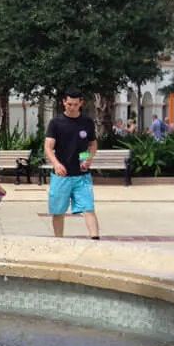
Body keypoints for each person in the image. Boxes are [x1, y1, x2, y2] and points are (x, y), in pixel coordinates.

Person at [44, 89, 100, 239]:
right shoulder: (56, 123)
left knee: (88, 208)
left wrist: (89, 157)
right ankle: (58, 240)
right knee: (58, 211)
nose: (72, 107)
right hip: (61, 175)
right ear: (64, 102)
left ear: (81, 103)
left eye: (75, 104)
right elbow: (48, 147)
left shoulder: (87, 123)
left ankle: (95, 240)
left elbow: (92, 144)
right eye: (69, 104)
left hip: (82, 176)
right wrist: (56, 163)